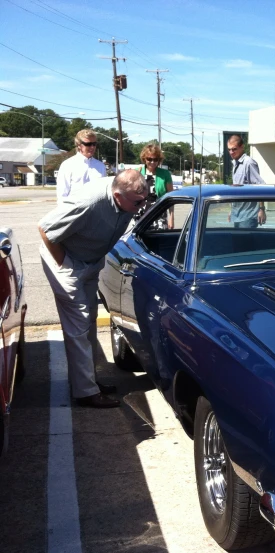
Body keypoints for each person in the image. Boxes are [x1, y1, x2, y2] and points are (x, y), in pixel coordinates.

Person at [39, 170, 147, 408]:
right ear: (118, 197)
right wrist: (66, 264)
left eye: (145, 199)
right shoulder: (89, 202)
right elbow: (46, 230)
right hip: (67, 262)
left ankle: (87, 382)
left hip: (89, 261)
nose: (142, 206)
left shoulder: (127, 195)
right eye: (137, 202)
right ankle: (86, 393)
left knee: (88, 324)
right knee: (78, 327)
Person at [56, 129, 107, 204]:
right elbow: (62, 195)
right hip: (75, 211)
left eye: (94, 144)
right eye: (88, 144)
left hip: (96, 212)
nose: (92, 147)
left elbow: (103, 192)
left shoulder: (101, 166)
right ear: (79, 145)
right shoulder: (67, 165)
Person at [227, 134, 266, 228]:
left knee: (245, 242)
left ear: (242, 147)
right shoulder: (235, 164)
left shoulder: (248, 163)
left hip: (248, 216)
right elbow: (236, 190)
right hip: (237, 215)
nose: (231, 152)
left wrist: (261, 209)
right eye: (229, 149)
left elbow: (260, 187)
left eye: (234, 149)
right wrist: (231, 210)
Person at [138, 143, 174, 228]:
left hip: (159, 215)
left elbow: (170, 198)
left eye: (155, 159)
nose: (152, 162)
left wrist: (171, 218)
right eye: (149, 159)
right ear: (144, 159)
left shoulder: (165, 174)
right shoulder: (137, 173)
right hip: (140, 216)